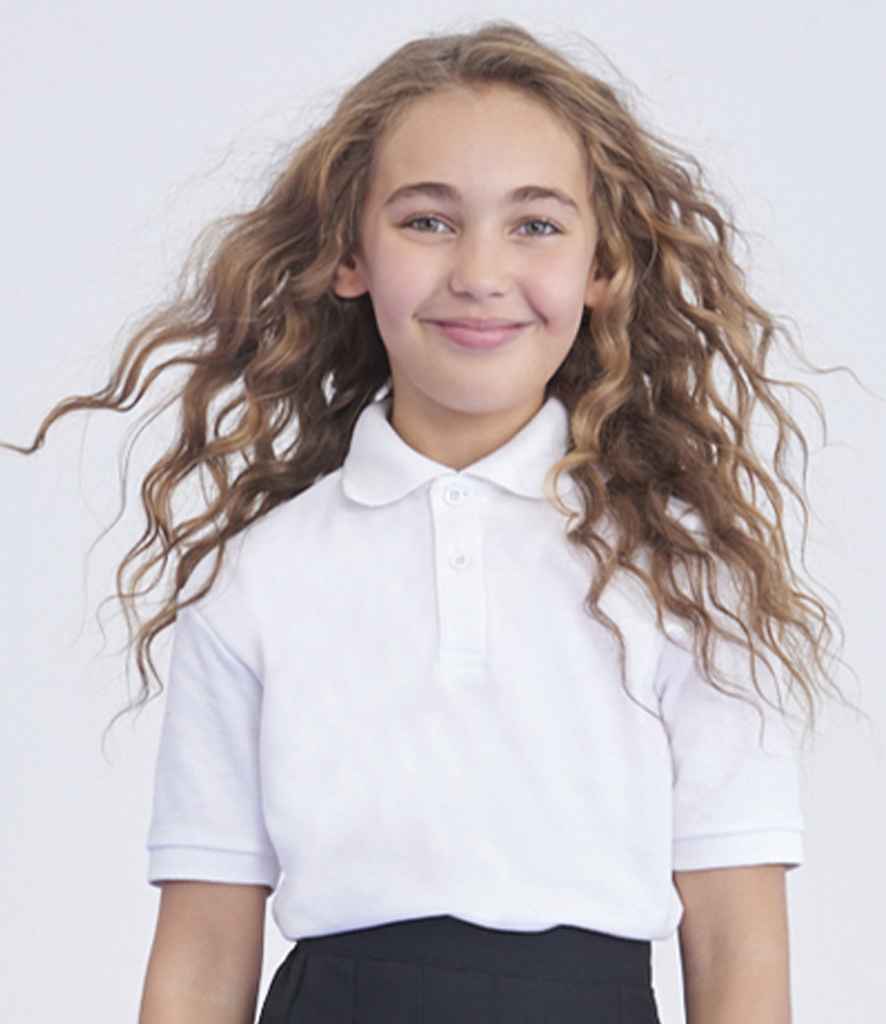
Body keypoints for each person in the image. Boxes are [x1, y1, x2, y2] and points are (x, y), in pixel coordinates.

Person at [3, 18, 866, 1024]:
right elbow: (199, 955)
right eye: (428, 221)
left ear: (603, 268)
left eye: (535, 225)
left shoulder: (683, 568)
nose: (480, 274)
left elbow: (737, 940)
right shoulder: (261, 577)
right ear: (349, 254)